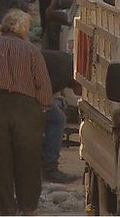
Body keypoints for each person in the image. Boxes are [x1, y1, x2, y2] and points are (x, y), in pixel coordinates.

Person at [0, 9, 53, 215]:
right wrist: (43, 107)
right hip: (25, 108)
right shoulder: (31, 51)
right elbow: (43, 86)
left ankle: (6, 208)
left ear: (3, 27)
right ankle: (28, 208)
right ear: (24, 30)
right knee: (29, 159)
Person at [40, 50, 82, 183]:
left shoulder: (68, 66)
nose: (80, 93)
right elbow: (44, 94)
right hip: (25, 92)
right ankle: (50, 168)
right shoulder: (64, 76)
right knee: (58, 120)